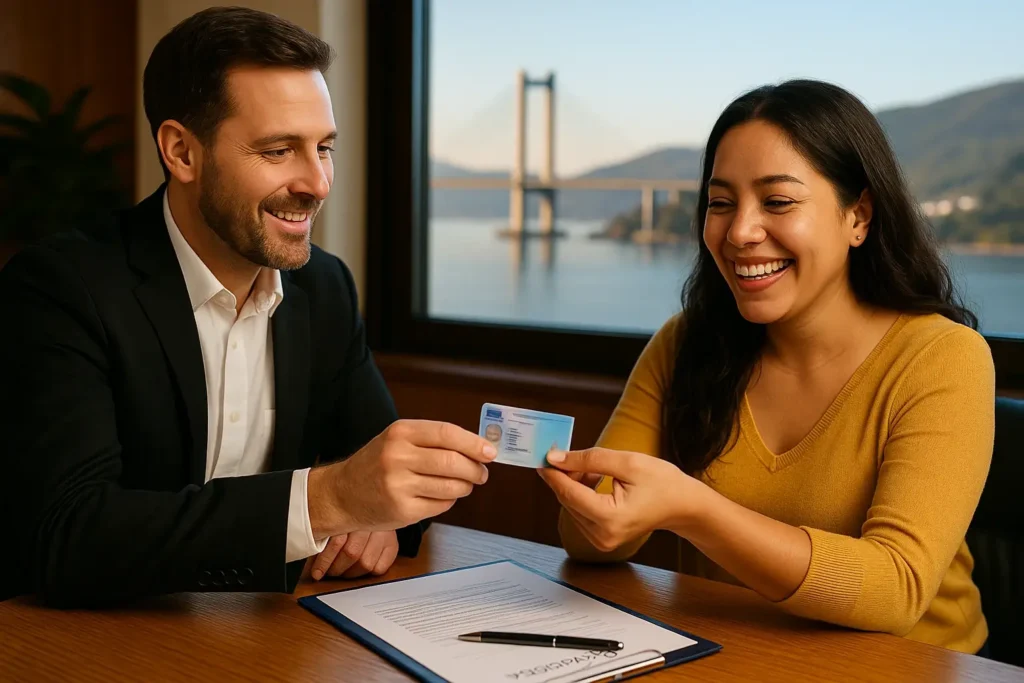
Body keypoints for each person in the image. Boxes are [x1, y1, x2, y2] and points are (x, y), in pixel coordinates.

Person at [0, 7, 496, 607]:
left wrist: (383, 514)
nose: (317, 182)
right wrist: (328, 501)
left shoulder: (325, 288)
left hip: (264, 640)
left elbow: (377, 472)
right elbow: (66, 536)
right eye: (279, 150)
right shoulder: (60, 288)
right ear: (181, 152)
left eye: (324, 148)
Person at [539, 80, 994, 655]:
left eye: (777, 202)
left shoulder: (942, 358)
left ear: (858, 216)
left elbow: (896, 590)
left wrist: (692, 509)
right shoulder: (684, 343)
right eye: (721, 203)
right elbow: (589, 546)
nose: (738, 233)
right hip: (733, 660)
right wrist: (591, 509)